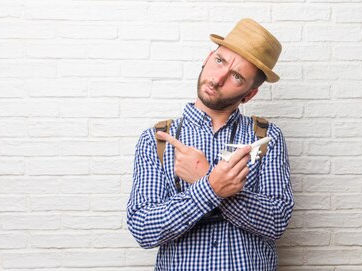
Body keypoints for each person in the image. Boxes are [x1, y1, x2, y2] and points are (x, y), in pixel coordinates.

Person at [126, 18, 294, 270]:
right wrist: (213, 188)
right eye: (220, 61)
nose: (217, 79)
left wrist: (204, 178)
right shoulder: (157, 139)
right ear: (207, 58)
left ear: (249, 94)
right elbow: (144, 228)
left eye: (236, 77)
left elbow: (276, 221)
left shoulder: (267, 137)